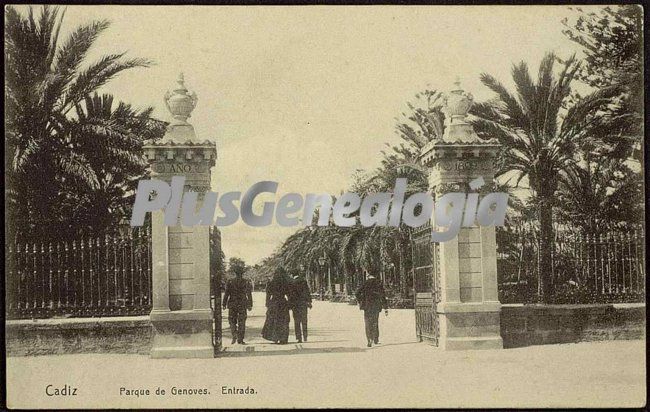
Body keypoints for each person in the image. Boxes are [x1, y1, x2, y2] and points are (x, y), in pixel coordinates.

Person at [355, 270, 388, 347]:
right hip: (376, 306)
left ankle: (369, 339)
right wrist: (385, 308)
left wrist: (361, 301)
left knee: (367, 322)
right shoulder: (378, 283)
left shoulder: (365, 283)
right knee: (375, 321)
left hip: (367, 306)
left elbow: (357, 293)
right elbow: (383, 296)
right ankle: (375, 339)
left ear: (368, 275)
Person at [222, 267, 253, 345]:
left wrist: (224, 303)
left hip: (232, 303)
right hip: (242, 303)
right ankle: (240, 339)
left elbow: (226, 293)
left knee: (232, 320)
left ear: (235, 273)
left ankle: (234, 335)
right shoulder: (246, 282)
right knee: (242, 321)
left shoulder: (230, 282)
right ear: (242, 274)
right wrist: (250, 305)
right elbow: (249, 294)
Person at [262, 267, 291, 344]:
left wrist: (267, 303)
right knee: (283, 321)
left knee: (273, 320)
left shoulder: (271, 283)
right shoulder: (286, 283)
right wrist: (289, 303)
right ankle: (283, 338)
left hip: (274, 303)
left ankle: (274, 337)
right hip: (282, 302)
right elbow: (289, 295)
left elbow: (268, 295)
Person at [288, 271, 312, 343]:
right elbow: (307, 292)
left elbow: (291, 295)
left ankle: (299, 338)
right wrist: (309, 302)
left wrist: (290, 304)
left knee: (297, 321)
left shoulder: (292, 282)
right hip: (303, 304)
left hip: (295, 305)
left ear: (292, 274)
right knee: (304, 321)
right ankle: (305, 336)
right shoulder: (303, 281)